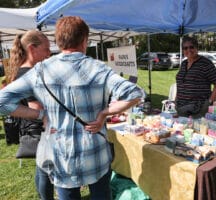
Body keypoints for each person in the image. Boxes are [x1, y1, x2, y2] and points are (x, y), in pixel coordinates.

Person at [0, 16, 143, 200]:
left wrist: (41, 114)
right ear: (84, 40)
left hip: (61, 156)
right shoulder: (98, 68)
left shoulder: (40, 70)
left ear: (58, 42)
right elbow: (135, 93)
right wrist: (104, 114)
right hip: (95, 153)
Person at [8, 30, 54, 200]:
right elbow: (36, 107)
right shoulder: (28, 73)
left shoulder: (26, 70)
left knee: (41, 168)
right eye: (47, 48)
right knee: (45, 169)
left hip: (35, 129)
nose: (49, 53)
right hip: (40, 129)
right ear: (33, 49)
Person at [175, 36, 216, 118]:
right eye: (185, 48)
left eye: (191, 47)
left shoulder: (205, 63)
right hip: (181, 108)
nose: (188, 50)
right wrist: (176, 100)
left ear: (197, 48)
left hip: (197, 110)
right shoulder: (184, 63)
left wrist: (209, 102)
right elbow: (180, 83)